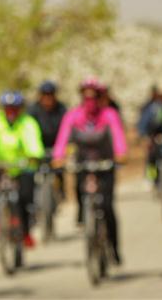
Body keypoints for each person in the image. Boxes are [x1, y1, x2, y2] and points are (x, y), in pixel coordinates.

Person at [53, 76, 127, 265]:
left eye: (94, 97)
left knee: (108, 207)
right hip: (83, 164)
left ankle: (114, 247)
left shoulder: (109, 114)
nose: (90, 101)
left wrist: (120, 154)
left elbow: (118, 135)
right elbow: (63, 137)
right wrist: (58, 157)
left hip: (105, 164)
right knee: (80, 192)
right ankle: (85, 219)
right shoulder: (73, 115)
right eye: (86, 97)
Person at [0, 91, 44, 249]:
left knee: (25, 198)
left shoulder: (27, 122)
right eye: (8, 108)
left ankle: (25, 231)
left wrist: (34, 155)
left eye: (15, 108)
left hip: (22, 167)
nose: (11, 112)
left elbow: (32, 141)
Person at [27, 80, 67, 195]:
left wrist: (63, 149)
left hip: (56, 147)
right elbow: (28, 131)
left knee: (59, 171)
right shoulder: (32, 110)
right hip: (37, 147)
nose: (48, 98)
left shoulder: (61, 109)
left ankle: (60, 193)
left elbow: (66, 130)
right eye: (45, 95)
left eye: (50, 95)